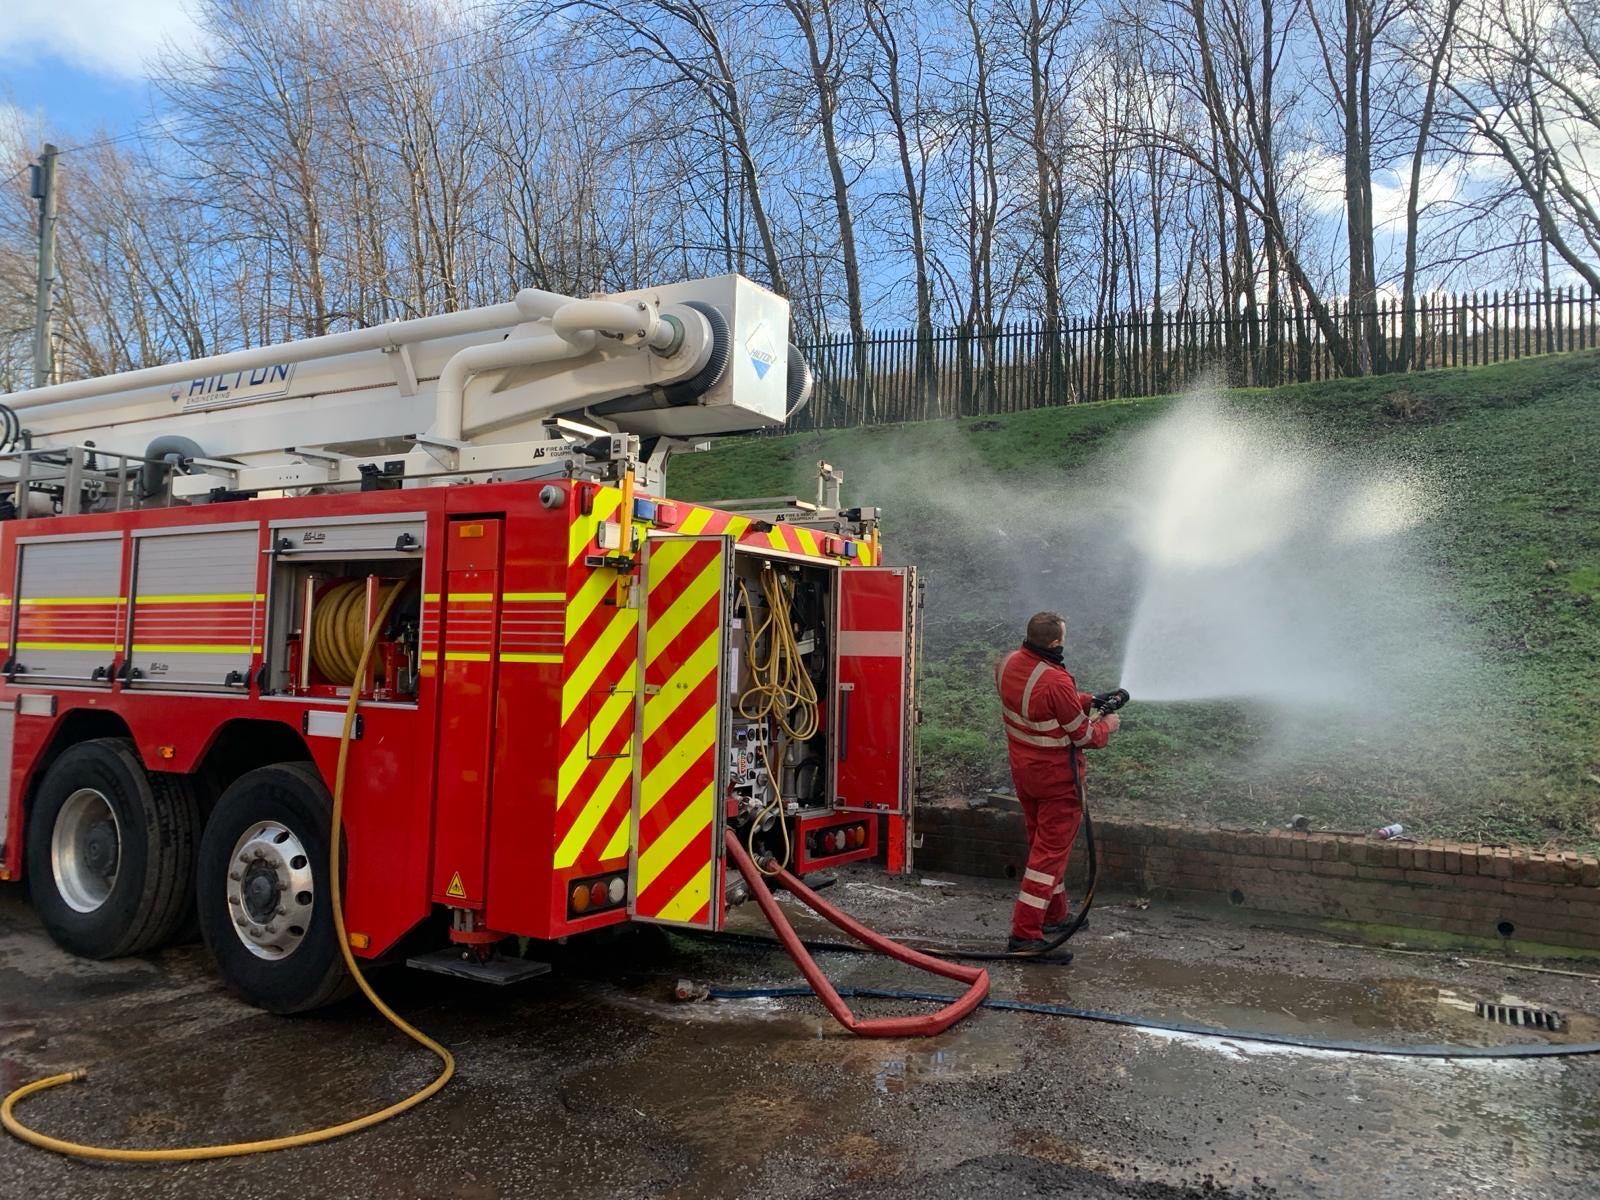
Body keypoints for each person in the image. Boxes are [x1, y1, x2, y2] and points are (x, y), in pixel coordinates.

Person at [993, 611, 1120, 956]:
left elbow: (1042, 701)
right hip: (1058, 782)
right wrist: (1107, 725)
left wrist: (1090, 700)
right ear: (1054, 642)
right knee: (1048, 856)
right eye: (1063, 638)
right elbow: (1084, 736)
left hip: (1026, 774)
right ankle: (1025, 934)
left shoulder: (1007, 663)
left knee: (1042, 847)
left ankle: (1055, 914)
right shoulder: (1055, 680)